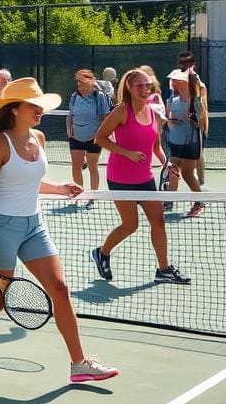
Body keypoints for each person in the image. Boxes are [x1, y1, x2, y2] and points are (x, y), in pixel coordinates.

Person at [0, 78, 118, 385]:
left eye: (40, 106)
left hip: (35, 226)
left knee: (59, 289)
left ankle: (79, 364)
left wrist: (59, 188)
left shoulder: (39, 138)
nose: (39, 111)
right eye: (33, 106)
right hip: (2, 228)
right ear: (14, 109)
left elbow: (30, 182)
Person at [91, 68, 190, 285]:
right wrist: (126, 152)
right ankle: (102, 252)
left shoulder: (154, 113)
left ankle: (163, 269)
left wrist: (167, 164)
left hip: (145, 178)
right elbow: (100, 138)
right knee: (130, 225)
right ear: (129, 87)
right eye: (139, 85)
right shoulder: (121, 111)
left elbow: (155, 147)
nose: (144, 89)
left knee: (159, 222)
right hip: (120, 178)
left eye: (147, 85)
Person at [66, 69, 112, 210]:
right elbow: (70, 115)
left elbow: (105, 118)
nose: (78, 84)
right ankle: (79, 193)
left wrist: (99, 135)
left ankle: (92, 199)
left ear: (90, 81)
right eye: (77, 81)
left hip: (94, 138)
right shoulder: (74, 97)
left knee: (92, 167)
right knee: (76, 166)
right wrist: (69, 129)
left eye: (81, 81)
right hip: (76, 137)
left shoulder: (100, 97)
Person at [164, 70, 206, 216]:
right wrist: (171, 120)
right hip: (176, 141)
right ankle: (169, 201)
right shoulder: (173, 100)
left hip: (191, 142)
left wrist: (193, 118)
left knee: (187, 173)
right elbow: (169, 119)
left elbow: (202, 122)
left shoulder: (195, 101)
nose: (173, 83)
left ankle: (199, 202)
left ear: (184, 83)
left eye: (177, 80)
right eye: (173, 80)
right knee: (173, 170)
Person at [176, 50, 209, 185]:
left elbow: (202, 106)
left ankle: (200, 182)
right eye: (181, 62)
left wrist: (200, 123)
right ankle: (172, 183)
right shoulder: (175, 81)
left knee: (198, 154)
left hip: (195, 125)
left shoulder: (199, 84)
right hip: (179, 124)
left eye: (187, 62)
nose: (184, 65)